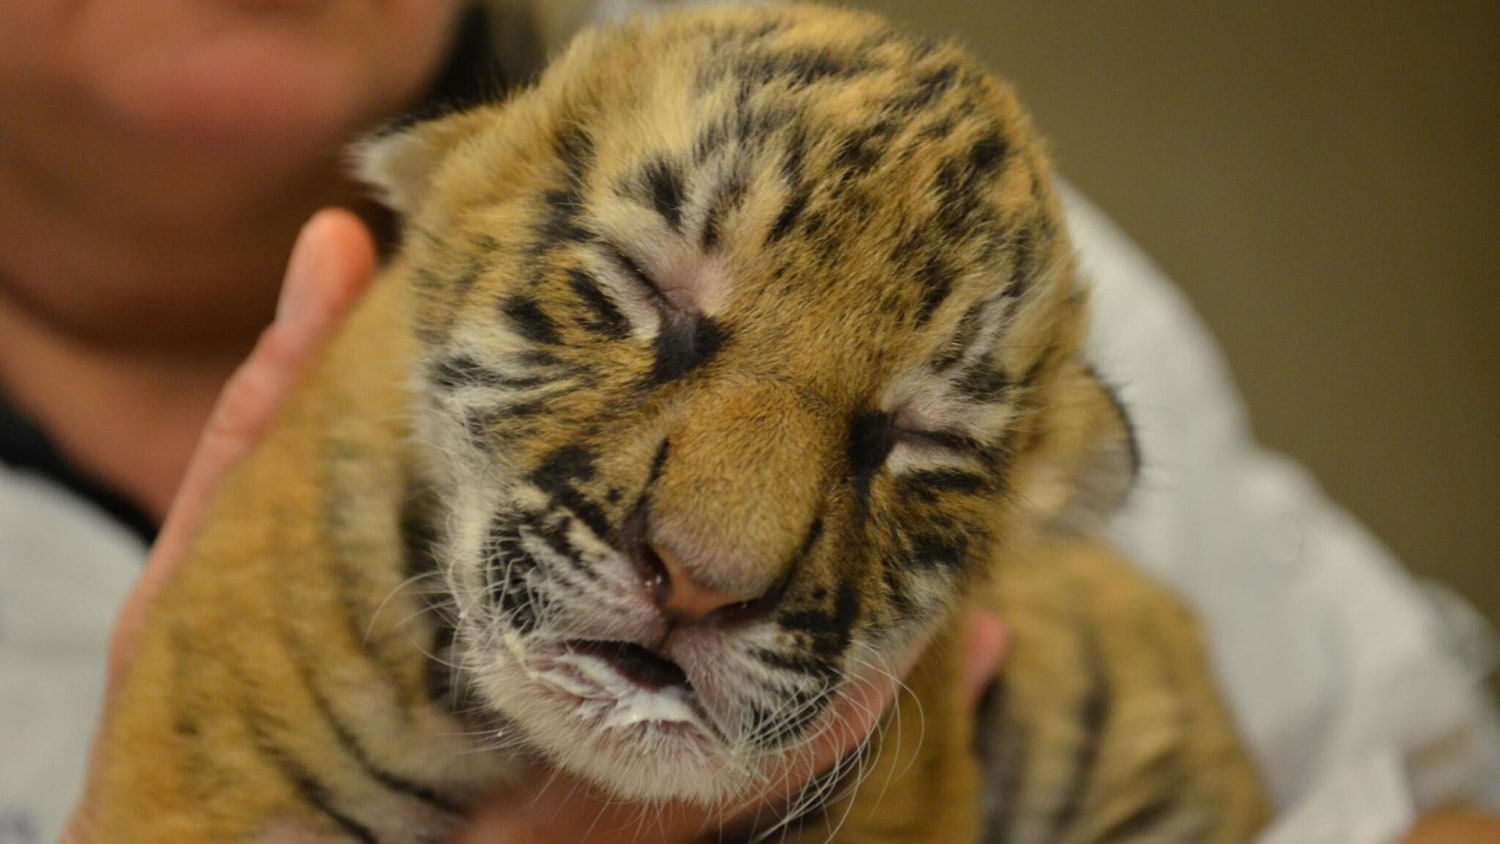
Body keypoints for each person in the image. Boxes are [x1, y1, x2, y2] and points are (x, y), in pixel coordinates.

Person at [0, 1, 1493, 842]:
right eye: (642, 295)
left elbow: (1444, 799)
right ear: (462, 186)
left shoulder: (994, 273)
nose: (719, 548)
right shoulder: (651, 112)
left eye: (909, 445)